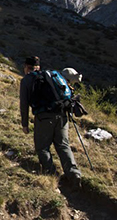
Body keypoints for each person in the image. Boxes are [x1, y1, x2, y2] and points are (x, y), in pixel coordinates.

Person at [20, 56, 82, 186]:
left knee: (42, 147)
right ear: (39, 67)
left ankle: (51, 175)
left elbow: (24, 104)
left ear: (26, 67)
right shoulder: (52, 75)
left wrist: (25, 124)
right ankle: (74, 173)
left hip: (44, 117)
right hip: (62, 115)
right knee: (63, 145)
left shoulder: (27, 80)